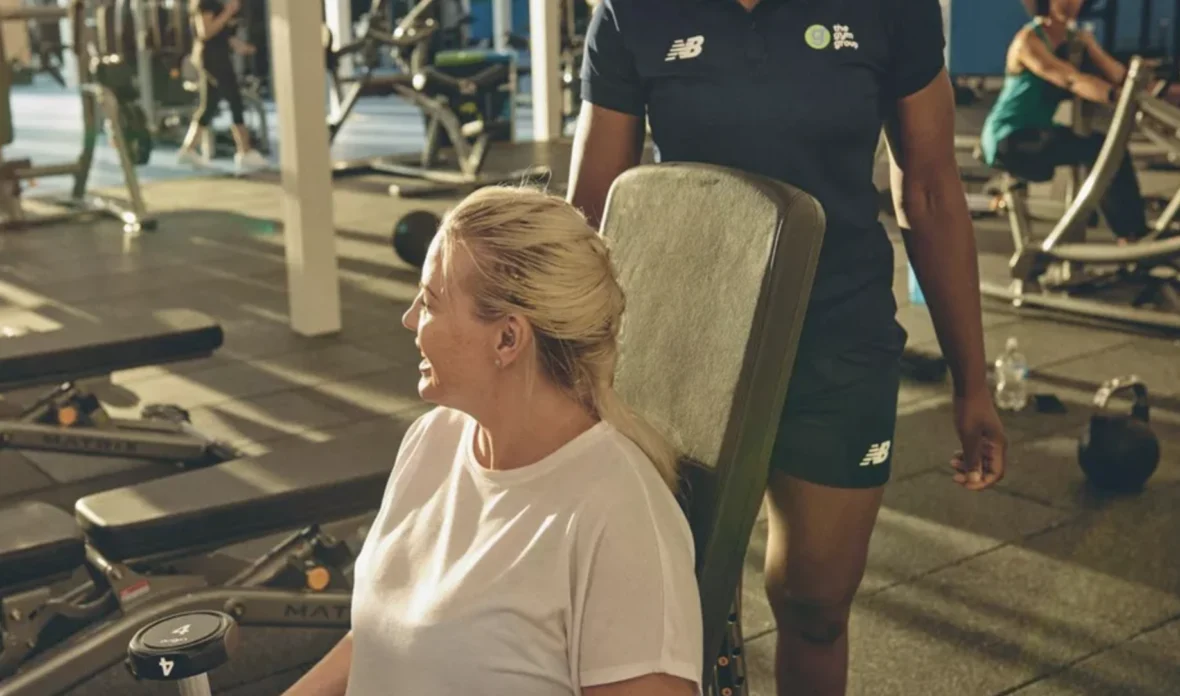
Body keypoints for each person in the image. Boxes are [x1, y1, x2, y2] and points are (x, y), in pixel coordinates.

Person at [568, 1, 1009, 695]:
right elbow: (595, 212)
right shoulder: (631, 10)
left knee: (817, 607)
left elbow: (927, 190)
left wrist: (971, 381)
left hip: (837, 337)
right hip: (682, 341)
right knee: (667, 608)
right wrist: (570, 378)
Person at [282, 187, 703, 696]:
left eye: (431, 302)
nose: (410, 319)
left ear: (507, 338)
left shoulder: (620, 520)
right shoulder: (433, 438)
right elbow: (378, 637)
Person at [979, 0, 1172, 242]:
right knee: (1100, 148)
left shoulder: (1076, 40)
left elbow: (1119, 75)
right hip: (1008, 136)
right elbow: (1071, 80)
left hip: (1038, 129)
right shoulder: (1028, 41)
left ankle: (1131, 230)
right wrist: (1117, 97)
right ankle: (1130, 234)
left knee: (1105, 147)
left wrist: (1095, 50)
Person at [176, 0, 268, 174]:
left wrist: (241, 46)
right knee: (235, 100)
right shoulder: (207, 3)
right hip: (213, 60)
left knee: (209, 106)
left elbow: (223, 34)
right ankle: (245, 151)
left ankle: (188, 149)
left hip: (218, 57)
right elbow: (206, 32)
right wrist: (228, 11)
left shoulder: (218, 4)